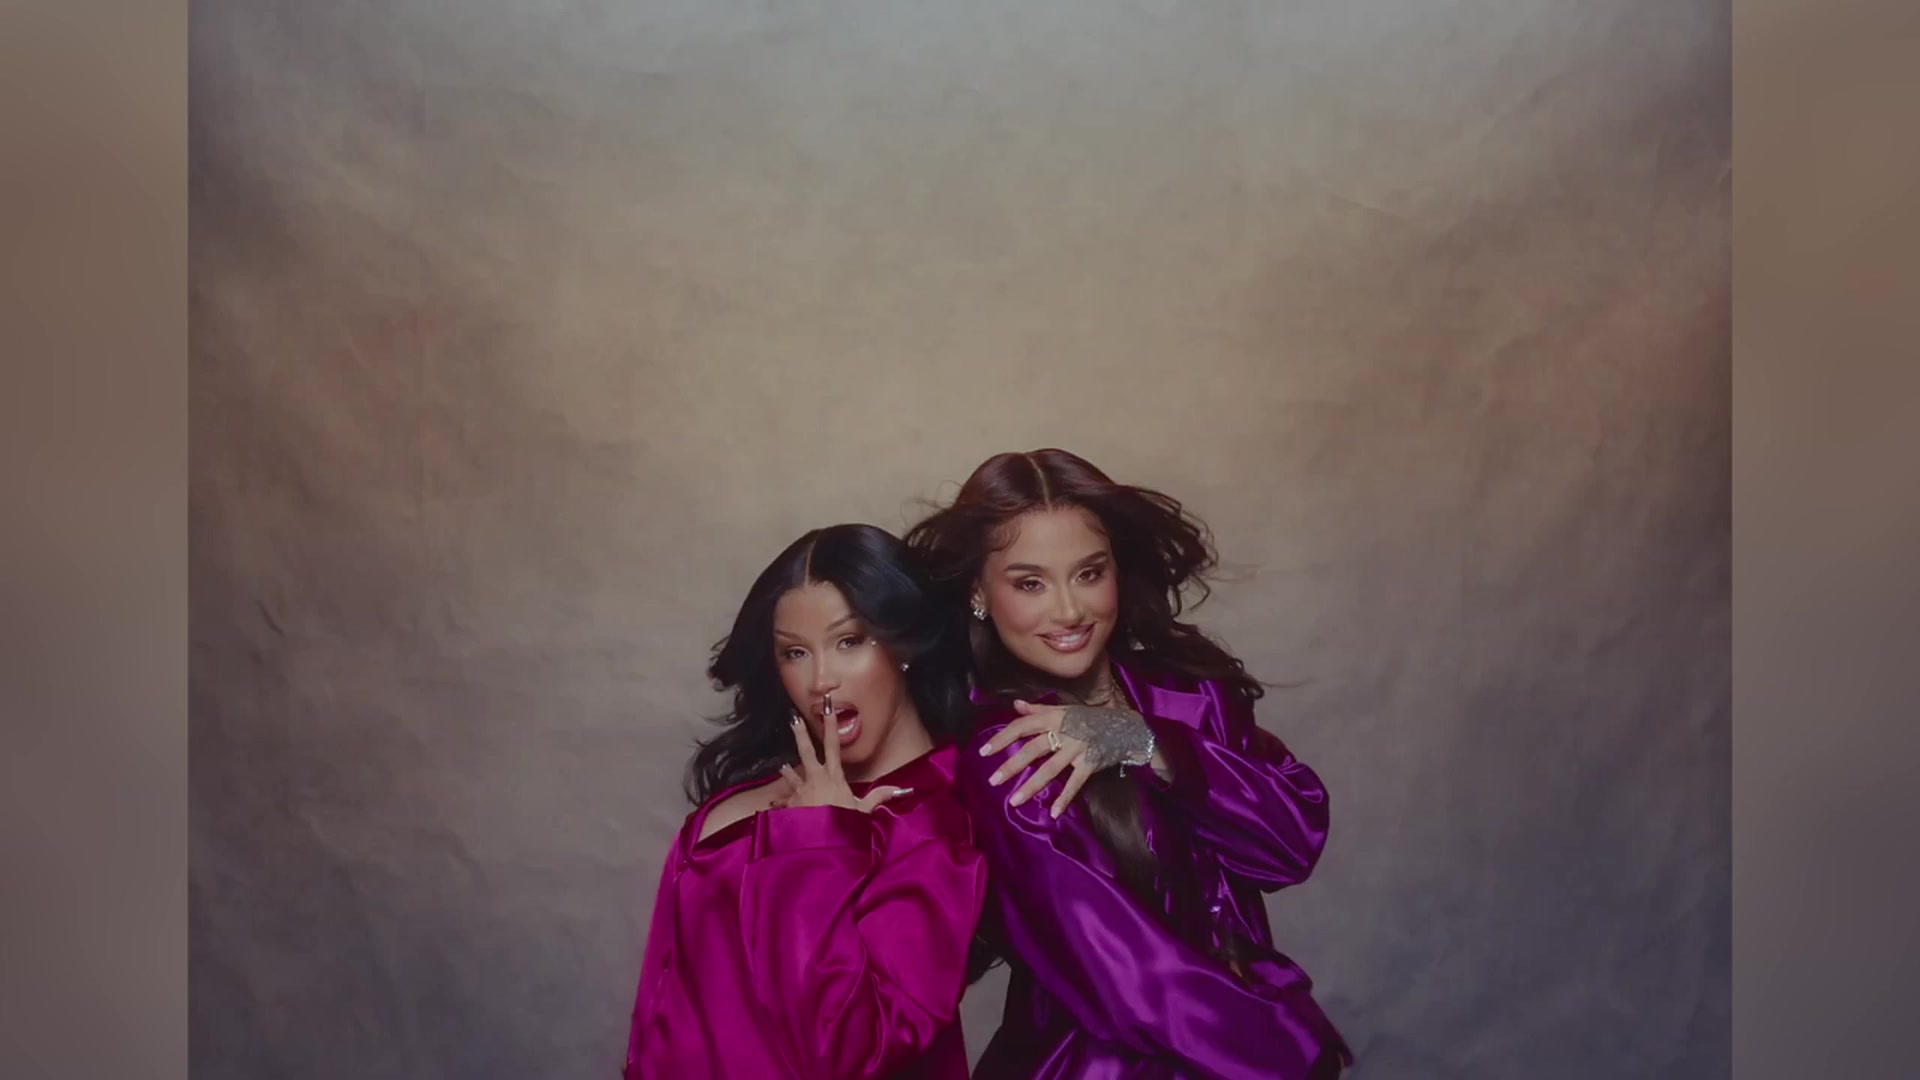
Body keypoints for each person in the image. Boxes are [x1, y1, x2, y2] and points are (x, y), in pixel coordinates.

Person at [906, 449, 1352, 1079]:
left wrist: (1140, 740)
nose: (1069, 611)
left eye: (1089, 573)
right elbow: (1132, 979)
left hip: (1238, 1049)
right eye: (1030, 583)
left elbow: (1287, 845)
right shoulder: (1008, 752)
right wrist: (1293, 1049)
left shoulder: (1188, 694)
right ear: (979, 592)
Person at [622, 524, 986, 1079]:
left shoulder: (936, 822)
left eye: (850, 641)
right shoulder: (754, 795)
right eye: (795, 652)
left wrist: (820, 841)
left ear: (903, 643)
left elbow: (854, 1052)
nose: (821, 681)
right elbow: (661, 1018)